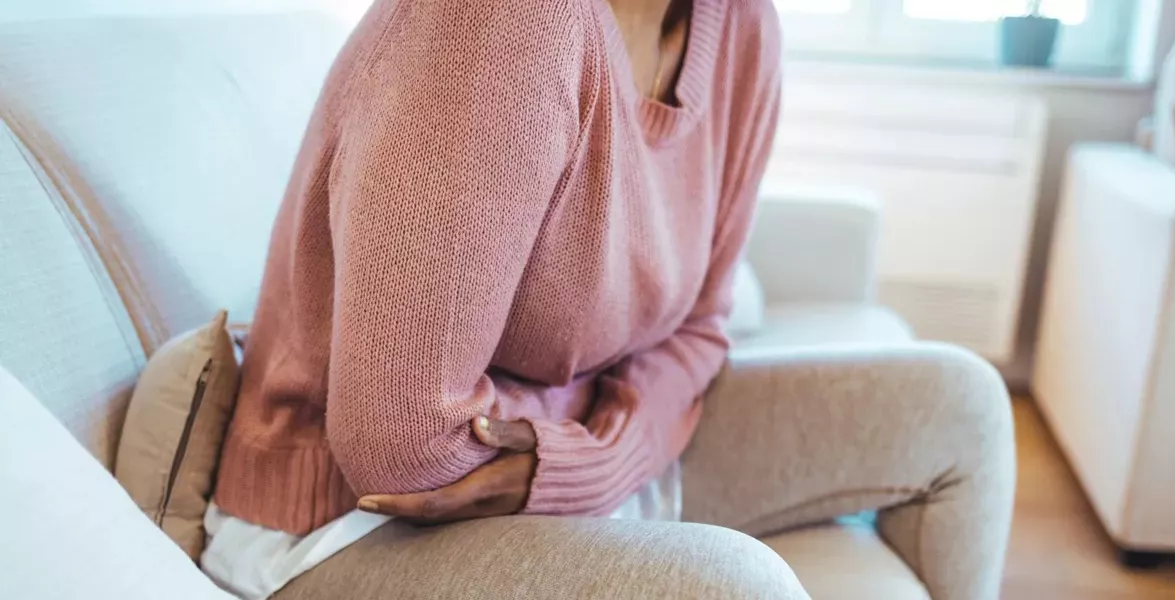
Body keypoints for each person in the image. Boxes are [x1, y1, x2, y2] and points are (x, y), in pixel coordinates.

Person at [205, 0, 1014, 599]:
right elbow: (403, 446)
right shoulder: (502, 22)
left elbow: (701, 328)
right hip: (347, 522)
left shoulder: (741, 27)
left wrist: (593, 461)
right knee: (737, 589)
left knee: (959, 406)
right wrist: (587, 454)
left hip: (551, 451)